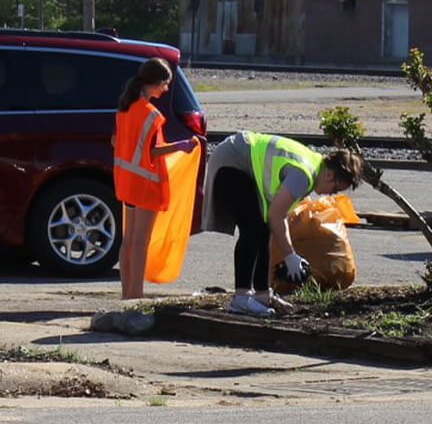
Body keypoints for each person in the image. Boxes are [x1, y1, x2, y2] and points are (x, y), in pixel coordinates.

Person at [201, 131, 364, 316]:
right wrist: (289, 256)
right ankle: (241, 298)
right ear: (330, 175)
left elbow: (279, 218)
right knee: (253, 230)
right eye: (334, 189)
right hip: (231, 160)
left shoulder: (313, 166)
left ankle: (262, 295)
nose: (330, 195)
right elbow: (276, 215)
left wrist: (290, 254)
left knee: (262, 230)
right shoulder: (304, 175)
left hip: (238, 158)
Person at [112, 58, 200, 299]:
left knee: (128, 240)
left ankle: (126, 293)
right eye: (165, 84)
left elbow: (115, 142)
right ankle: (136, 295)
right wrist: (179, 146)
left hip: (127, 181)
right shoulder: (151, 115)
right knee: (141, 241)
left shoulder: (125, 107)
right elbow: (152, 152)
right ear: (154, 83)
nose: (167, 89)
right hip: (145, 183)